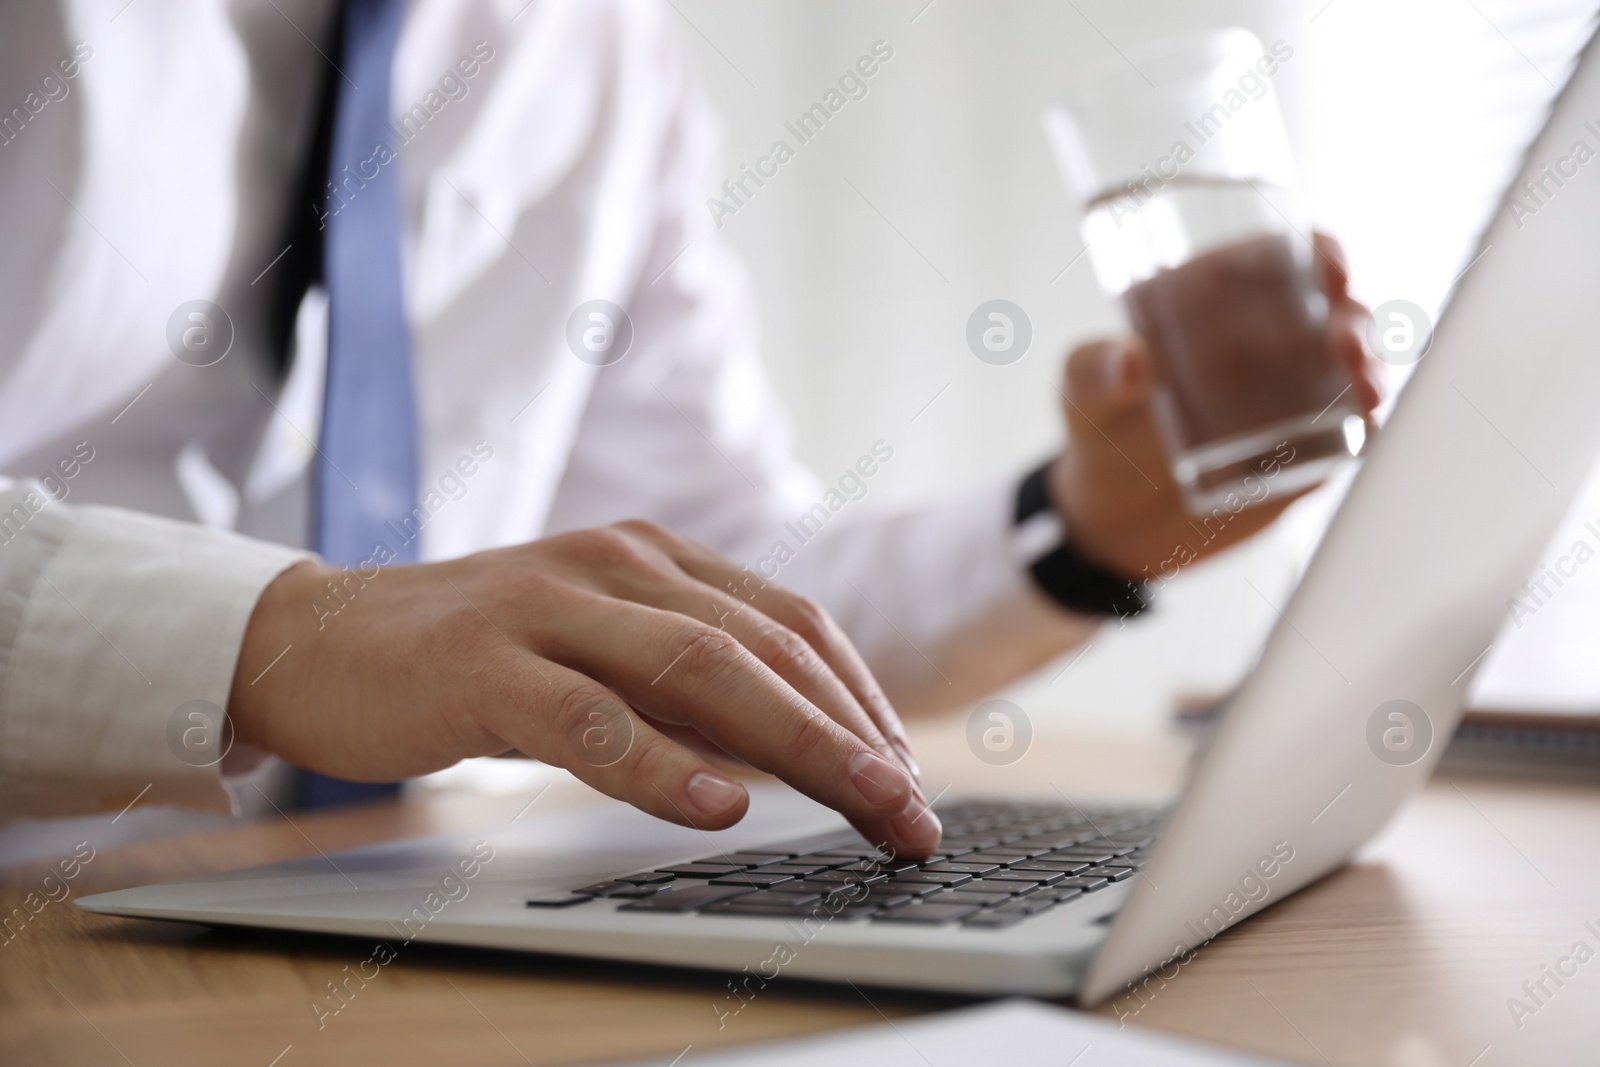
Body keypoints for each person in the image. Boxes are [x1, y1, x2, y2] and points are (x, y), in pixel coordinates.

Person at [0, 0, 1380, 858]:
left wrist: (1078, 530)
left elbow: (702, 591)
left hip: (370, 943)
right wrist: (273, 637)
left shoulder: (591, 45)